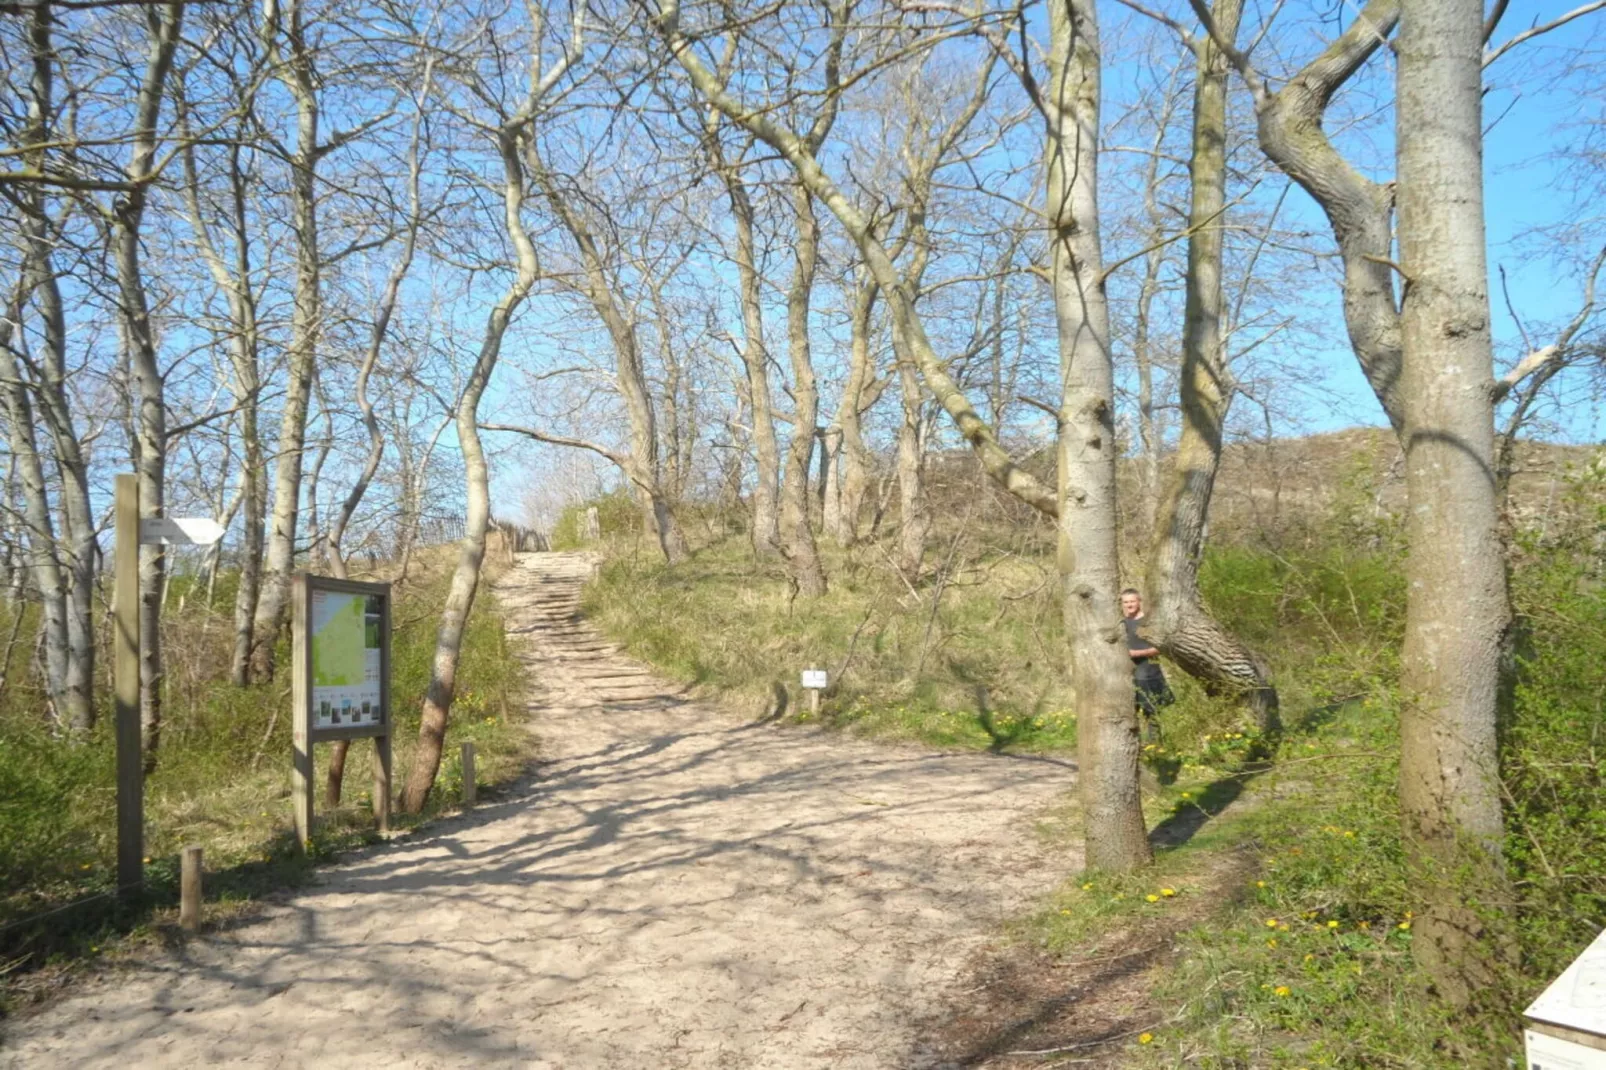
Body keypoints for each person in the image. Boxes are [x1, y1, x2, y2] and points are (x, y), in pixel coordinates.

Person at [1121, 588, 1172, 742]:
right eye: (1126, 602)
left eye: (1132, 601)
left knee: (1151, 710)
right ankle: (1135, 746)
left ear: (1139, 601)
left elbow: (1161, 647)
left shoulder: (1149, 621)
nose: (1129, 605)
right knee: (1129, 710)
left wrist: (1137, 654)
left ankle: (1156, 747)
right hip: (1126, 671)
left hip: (1149, 670)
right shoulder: (1121, 623)